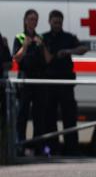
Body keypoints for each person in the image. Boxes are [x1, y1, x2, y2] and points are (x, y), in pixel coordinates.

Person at [42, 10, 88, 155]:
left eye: (60, 22)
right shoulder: (44, 38)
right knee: (49, 118)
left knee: (69, 117)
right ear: (49, 21)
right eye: (55, 22)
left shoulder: (68, 37)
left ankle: (72, 149)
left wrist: (68, 51)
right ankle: (52, 148)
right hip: (49, 83)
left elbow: (83, 49)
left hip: (66, 83)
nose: (57, 25)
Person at [13, 9, 52, 156]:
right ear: (25, 20)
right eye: (30, 19)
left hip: (39, 80)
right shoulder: (19, 37)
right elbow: (16, 58)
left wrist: (42, 46)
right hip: (25, 80)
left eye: (35, 19)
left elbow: (48, 59)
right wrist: (25, 46)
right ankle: (20, 146)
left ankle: (38, 147)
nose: (33, 22)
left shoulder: (40, 38)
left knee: (39, 116)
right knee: (22, 115)